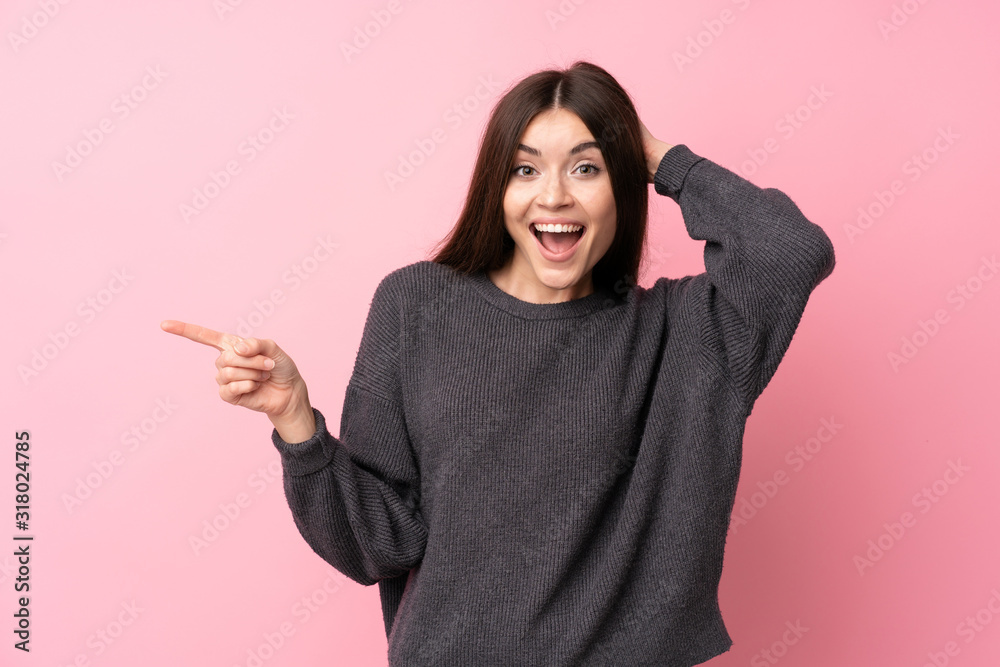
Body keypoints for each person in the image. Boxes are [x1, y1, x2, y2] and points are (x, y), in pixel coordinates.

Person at [162, 61, 835, 666]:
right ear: (497, 186)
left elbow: (791, 252)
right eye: (525, 168)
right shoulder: (415, 305)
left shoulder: (682, 333)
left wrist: (660, 157)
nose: (553, 197)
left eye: (586, 166)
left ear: (621, 186)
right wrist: (295, 419)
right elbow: (378, 544)